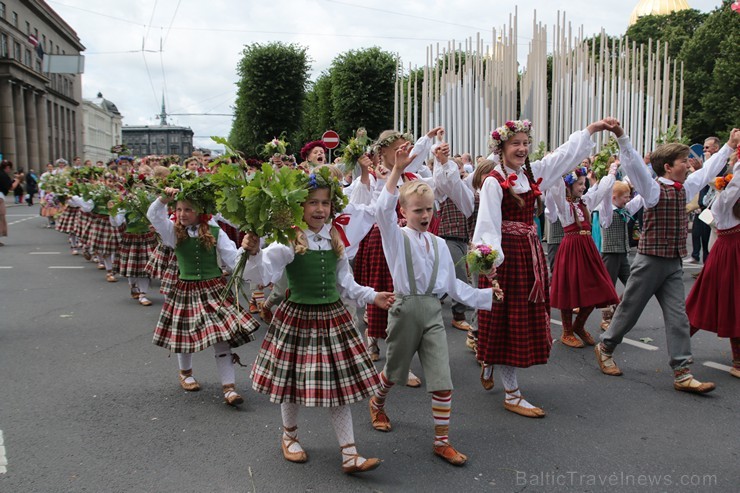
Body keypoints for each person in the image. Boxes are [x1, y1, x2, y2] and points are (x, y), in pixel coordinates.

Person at [242, 168, 390, 473]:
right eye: (312, 203)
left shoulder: (334, 238)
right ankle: (289, 436)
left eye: (324, 203)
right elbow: (261, 275)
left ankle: (350, 452)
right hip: (298, 319)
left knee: (340, 387)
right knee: (291, 384)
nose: (320, 209)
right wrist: (254, 253)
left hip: (332, 318)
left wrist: (373, 296)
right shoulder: (287, 241)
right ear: (299, 206)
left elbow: (345, 283)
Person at [368, 143, 498, 466]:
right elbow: (381, 211)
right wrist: (397, 170)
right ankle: (377, 401)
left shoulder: (440, 245)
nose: (424, 215)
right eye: (417, 210)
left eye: (428, 209)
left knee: (442, 378)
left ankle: (441, 441)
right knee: (394, 370)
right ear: (404, 212)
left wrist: (486, 298)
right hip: (404, 310)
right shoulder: (395, 238)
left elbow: (454, 287)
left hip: (431, 314)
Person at [473, 117, 614, 417]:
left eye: (525, 143)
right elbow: (487, 225)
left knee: (515, 318)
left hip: (529, 254)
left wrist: (591, 130)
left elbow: (562, 157)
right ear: (501, 147)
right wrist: (492, 263)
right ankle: (511, 393)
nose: (522, 149)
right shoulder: (493, 181)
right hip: (507, 257)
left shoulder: (530, 173)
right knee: (507, 320)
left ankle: (490, 362)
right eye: (516, 144)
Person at [596, 124, 739, 393]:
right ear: (668, 167)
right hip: (649, 261)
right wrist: (622, 137)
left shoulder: (685, 187)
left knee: (679, 318)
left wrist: (730, 146)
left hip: (673, 262)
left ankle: (682, 372)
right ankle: (605, 346)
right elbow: (636, 165)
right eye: (684, 161)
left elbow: (708, 171)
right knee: (629, 312)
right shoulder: (652, 189)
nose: (689, 164)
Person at [147, 186, 259, 406]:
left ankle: (229, 388)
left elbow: (232, 257)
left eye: (188, 209)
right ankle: (185, 373)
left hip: (214, 290)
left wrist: (247, 253)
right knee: (185, 336)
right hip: (186, 289)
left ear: (200, 211)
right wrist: (163, 199)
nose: (182, 214)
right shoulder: (172, 232)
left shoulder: (215, 231)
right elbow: (154, 216)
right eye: (179, 209)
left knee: (221, 337)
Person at [549, 163, 620, 348]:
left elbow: (603, 188)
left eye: (583, 183)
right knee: (570, 289)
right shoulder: (564, 205)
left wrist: (612, 170)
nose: (582, 187)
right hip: (571, 248)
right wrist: (562, 165)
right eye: (579, 184)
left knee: (598, 288)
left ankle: (578, 325)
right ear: (569, 186)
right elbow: (556, 187)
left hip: (587, 249)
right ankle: (567, 332)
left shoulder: (586, 202)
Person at [686, 156, 740, 379]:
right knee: (708, 301)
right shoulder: (725, 201)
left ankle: (738, 359)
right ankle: (680, 345)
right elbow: (736, 185)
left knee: (733, 303)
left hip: (732, 253)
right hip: (727, 254)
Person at [598, 180, 644, 330]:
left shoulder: (624, 210)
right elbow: (605, 201)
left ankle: (617, 307)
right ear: (614, 198)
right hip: (610, 254)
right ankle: (606, 318)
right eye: (624, 197)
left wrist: (649, 183)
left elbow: (639, 200)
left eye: (628, 196)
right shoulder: (607, 213)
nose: (628, 199)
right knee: (608, 286)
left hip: (622, 254)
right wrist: (609, 178)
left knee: (633, 283)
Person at [0, 160, 23, 246]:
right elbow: (11, 187)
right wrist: (17, 180)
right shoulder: (4, 175)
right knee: (1, 217)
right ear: (7, 167)